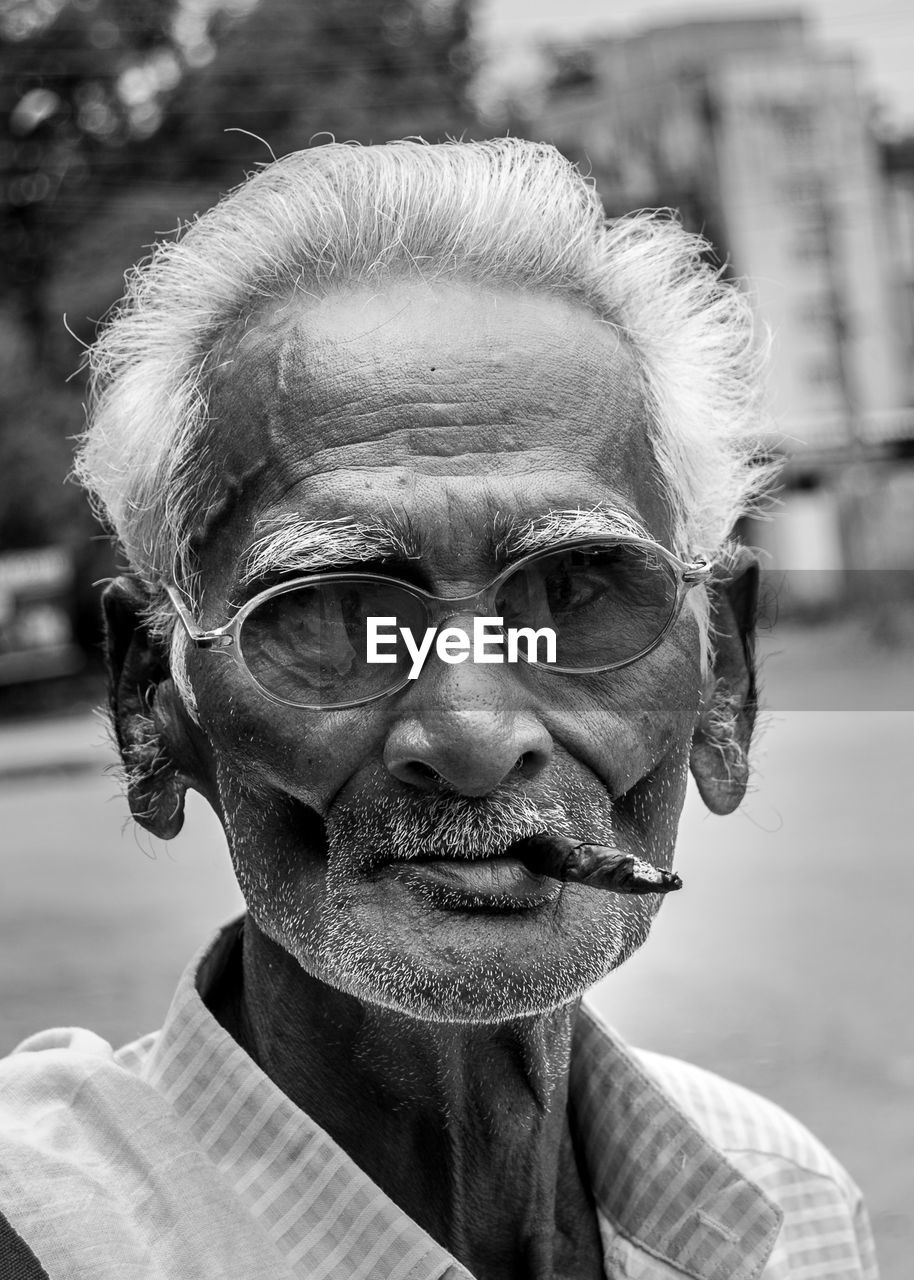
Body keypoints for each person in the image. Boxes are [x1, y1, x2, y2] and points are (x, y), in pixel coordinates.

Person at [0, 139, 877, 1279]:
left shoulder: (787, 1207)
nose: (470, 734)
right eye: (329, 610)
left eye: (575, 592)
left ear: (722, 688)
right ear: (148, 707)